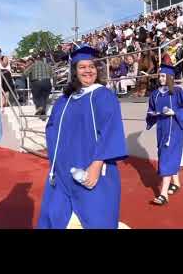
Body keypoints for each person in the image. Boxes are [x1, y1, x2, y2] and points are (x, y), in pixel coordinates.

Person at [37, 46, 128, 229]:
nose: (88, 70)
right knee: (54, 218)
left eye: (92, 66)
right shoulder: (65, 100)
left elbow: (111, 131)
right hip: (63, 174)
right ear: (74, 72)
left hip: (91, 172)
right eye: (82, 67)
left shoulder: (103, 95)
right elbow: (52, 128)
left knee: (97, 220)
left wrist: (96, 165)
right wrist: (56, 163)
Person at [146, 64, 183, 206]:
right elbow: (150, 110)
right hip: (162, 129)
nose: (161, 78)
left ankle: (163, 194)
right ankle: (176, 183)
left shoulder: (177, 91)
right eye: (160, 75)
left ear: (170, 77)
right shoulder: (155, 94)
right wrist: (153, 115)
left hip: (175, 129)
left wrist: (174, 112)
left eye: (163, 75)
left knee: (165, 158)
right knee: (165, 155)